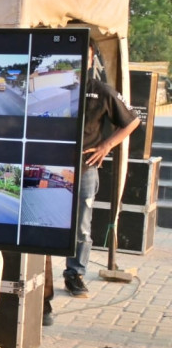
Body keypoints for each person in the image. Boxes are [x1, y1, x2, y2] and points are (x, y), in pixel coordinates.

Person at [44, 43, 139, 323]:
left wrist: (106, 146)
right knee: (45, 222)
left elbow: (131, 121)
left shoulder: (101, 91)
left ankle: (75, 274)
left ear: (90, 58)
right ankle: (41, 281)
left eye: (84, 55)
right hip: (49, 167)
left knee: (81, 226)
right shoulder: (50, 85)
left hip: (84, 169)